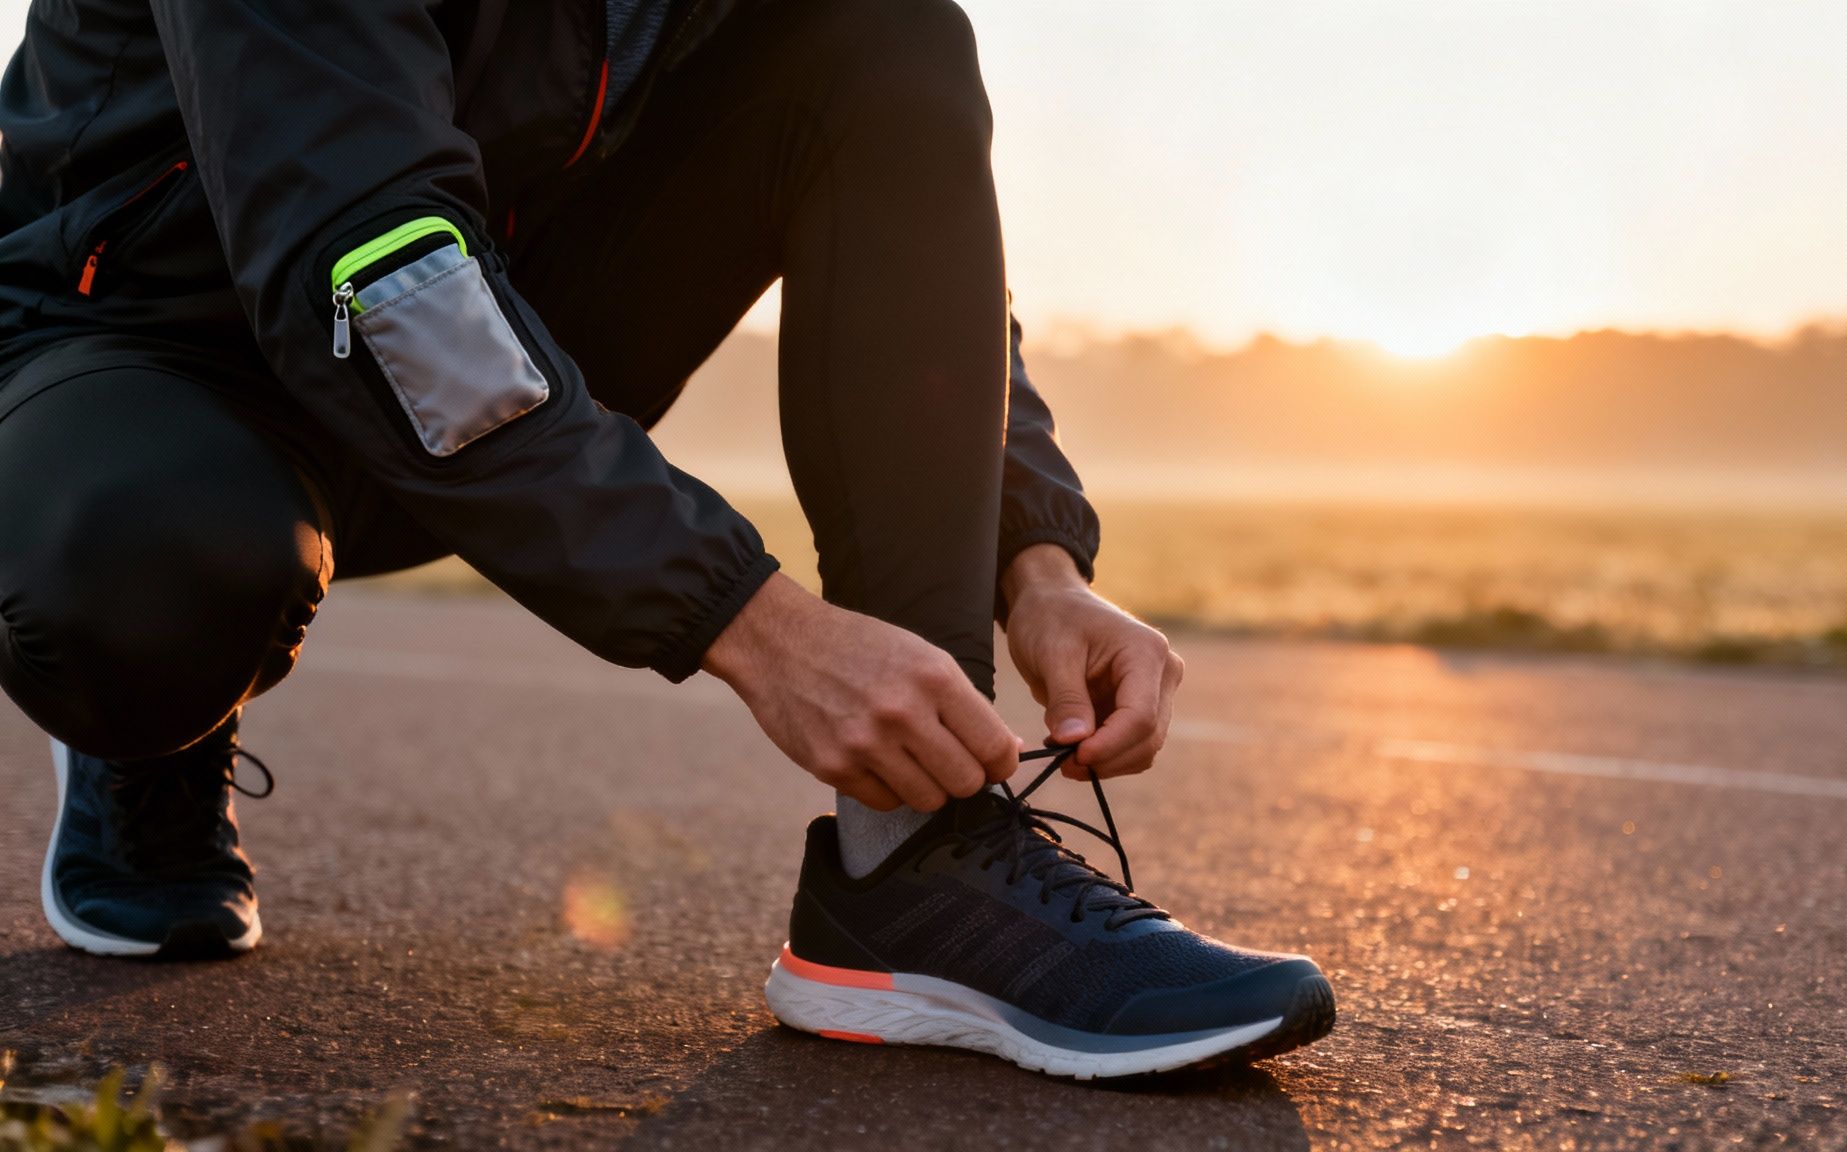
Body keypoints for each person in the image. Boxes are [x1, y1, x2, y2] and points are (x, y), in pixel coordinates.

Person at [0, 0, 1333, 1077]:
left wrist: (1033, 558)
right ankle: (155, 731)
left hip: (482, 337)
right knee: (149, 579)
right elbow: (369, 267)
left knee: (888, 33)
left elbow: (896, 199)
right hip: (138, 362)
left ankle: (916, 862)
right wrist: (752, 621)